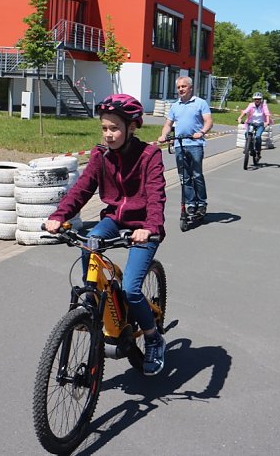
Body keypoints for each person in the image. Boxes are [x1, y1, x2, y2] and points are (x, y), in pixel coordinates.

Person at [44, 94, 168, 376]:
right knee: (89, 242)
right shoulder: (100, 156)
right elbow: (81, 190)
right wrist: (58, 216)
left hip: (142, 227)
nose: (109, 135)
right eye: (104, 128)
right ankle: (91, 302)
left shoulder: (149, 156)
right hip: (113, 220)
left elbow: (156, 196)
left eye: (115, 128)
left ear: (131, 127)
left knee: (131, 290)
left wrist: (149, 228)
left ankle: (152, 337)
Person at [158, 76, 213, 217]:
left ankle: (201, 203)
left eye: (183, 86)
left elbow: (208, 122)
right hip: (179, 144)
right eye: (178, 87)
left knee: (197, 174)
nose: (181, 89)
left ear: (190, 87)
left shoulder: (200, 103)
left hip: (195, 144)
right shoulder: (175, 105)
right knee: (184, 176)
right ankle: (190, 203)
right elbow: (168, 124)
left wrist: (201, 132)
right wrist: (164, 135)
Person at [237, 91, 273, 164]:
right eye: (255, 99)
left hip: (261, 124)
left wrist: (267, 122)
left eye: (259, 99)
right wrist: (240, 118)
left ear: (261, 100)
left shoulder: (263, 106)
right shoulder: (251, 105)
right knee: (247, 134)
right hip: (251, 123)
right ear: (253, 99)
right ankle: (248, 148)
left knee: (258, 136)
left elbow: (267, 114)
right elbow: (245, 112)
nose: (257, 100)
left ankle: (258, 152)